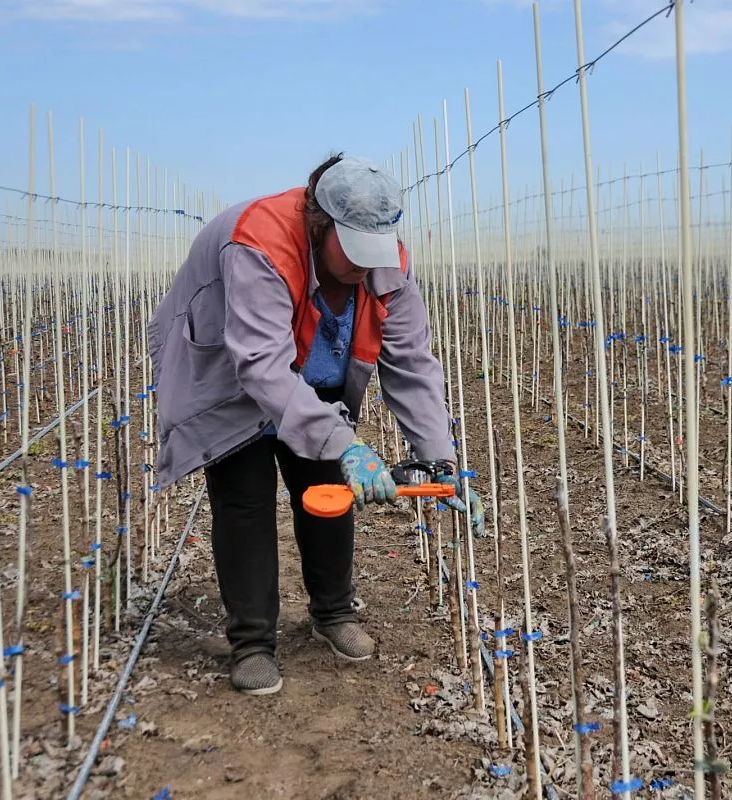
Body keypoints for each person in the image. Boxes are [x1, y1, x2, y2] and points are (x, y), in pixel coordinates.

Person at [147, 153, 484, 696]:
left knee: (328, 483)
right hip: (231, 372)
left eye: (371, 253)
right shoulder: (259, 244)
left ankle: (332, 614)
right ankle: (252, 642)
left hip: (315, 368)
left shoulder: (388, 265)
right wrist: (349, 445)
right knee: (243, 498)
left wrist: (440, 457)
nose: (361, 267)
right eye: (350, 252)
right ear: (318, 223)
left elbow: (413, 361)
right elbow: (259, 363)